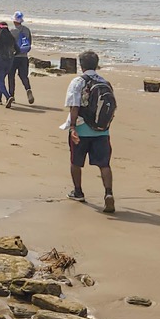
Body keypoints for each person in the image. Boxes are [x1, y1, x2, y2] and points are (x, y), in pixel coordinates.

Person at [63, 50, 117, 213]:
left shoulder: (78, 82)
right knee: (104, 164)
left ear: (81, 65)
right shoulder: (105, 82)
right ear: (96, 64)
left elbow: (74, 107)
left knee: (76, 163)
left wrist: (72, 127)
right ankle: (108, 193)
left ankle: (78, 191)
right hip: (102, 131)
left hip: (81, 130)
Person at [9, 11, 34, 104]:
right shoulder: (27, 30)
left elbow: (9, 44)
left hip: (14, 57)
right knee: (23, 75)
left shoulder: (12, 31)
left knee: (11, 75)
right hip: (24, 57)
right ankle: (28, 89)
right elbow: (29, 43)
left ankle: (11, 95)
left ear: (14, 21)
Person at [0, 22, 17, 107]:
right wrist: (12, 56)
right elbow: (18, 50)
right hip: (9, 61)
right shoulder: (11, 38)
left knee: (0, 81)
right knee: (2, 79)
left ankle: (8, 97)